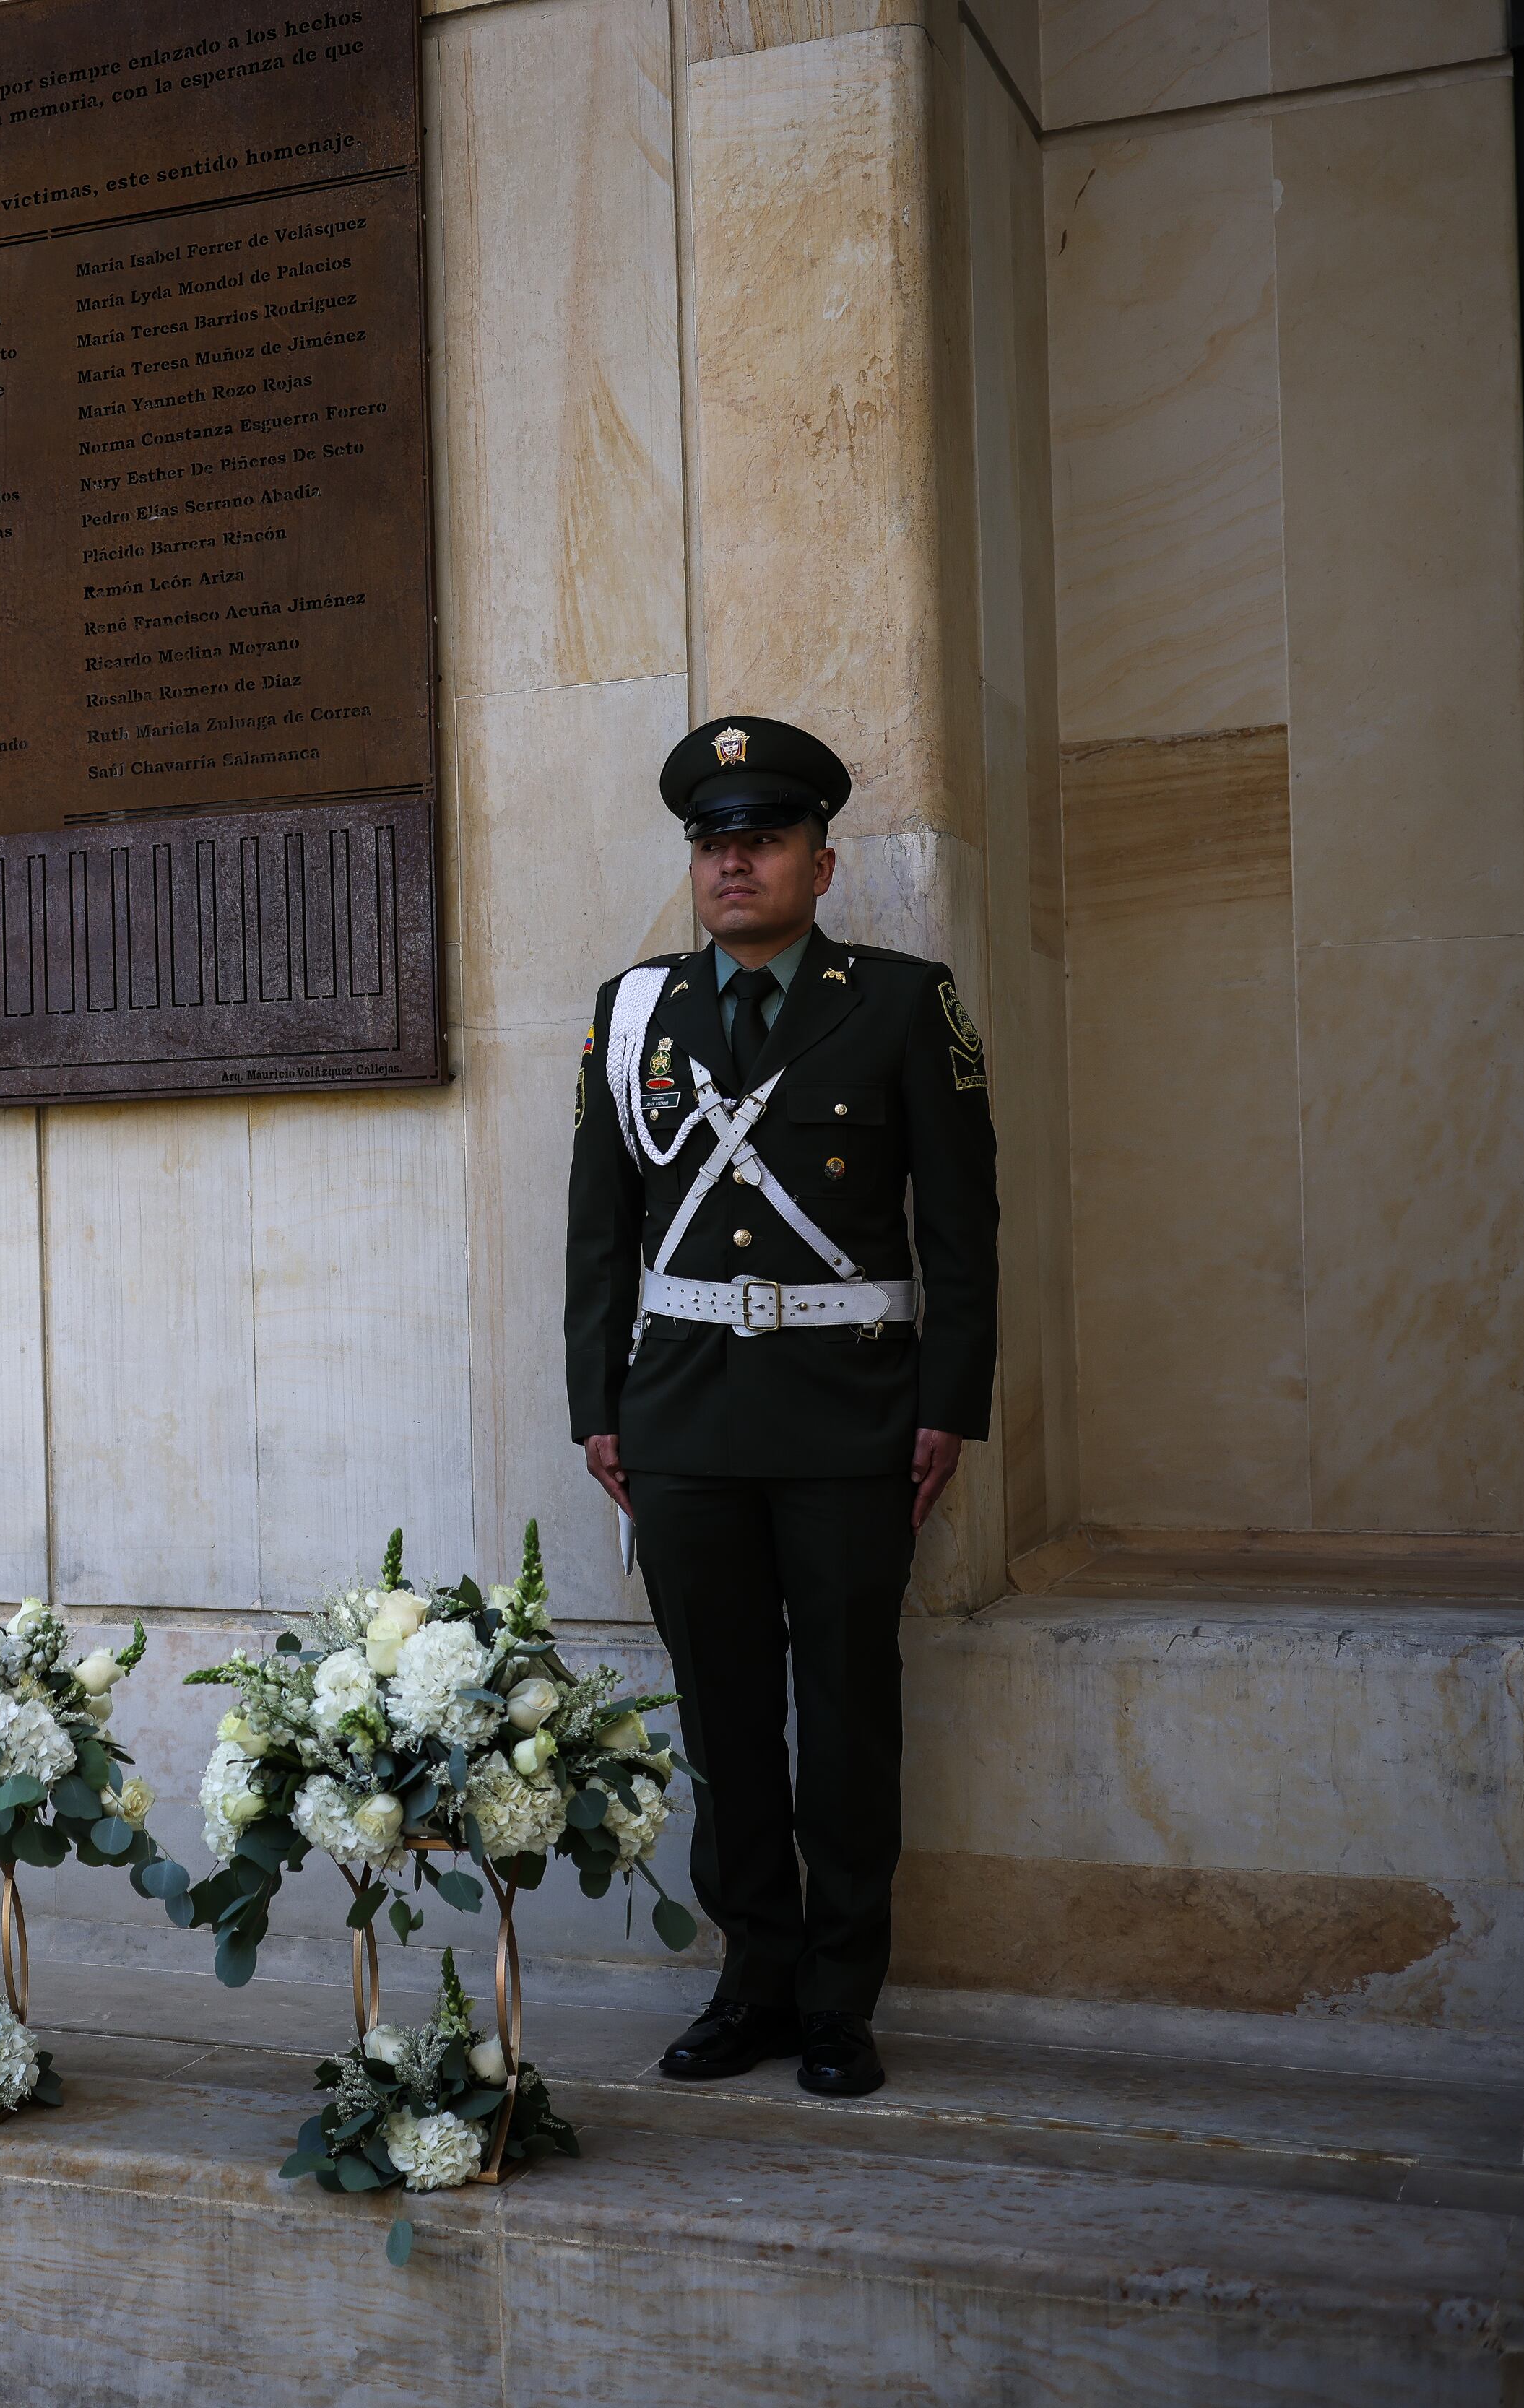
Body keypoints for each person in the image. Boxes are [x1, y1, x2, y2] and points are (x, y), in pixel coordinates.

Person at [563, 716, 998, 2103]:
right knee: (726, 1719)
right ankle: (750, 1982)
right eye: (711, 843)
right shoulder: (640, 1013)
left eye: (760, 839)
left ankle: (838, 2000)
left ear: (821, 858)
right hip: (684, 1417)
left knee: (849, 1714)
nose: (732, 862)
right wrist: (599, 1407)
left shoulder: (900, 1001)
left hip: (851, 1418)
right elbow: (597, 1232)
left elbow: (966, 1233)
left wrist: (950, 1407)